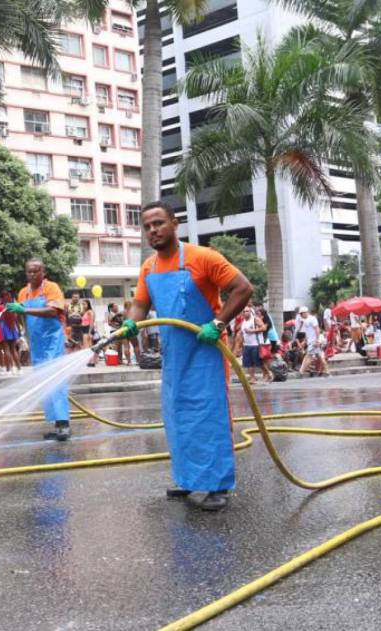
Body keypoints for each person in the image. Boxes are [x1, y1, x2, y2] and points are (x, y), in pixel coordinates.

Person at [119, 202, 253, 511]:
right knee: (178, 415)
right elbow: (140, 303)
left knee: (208, 415)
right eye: (147, 226)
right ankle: (190, 480)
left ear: (174, 223)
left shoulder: (202, 257)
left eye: (158, 223)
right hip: (175, 352)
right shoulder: (149, 267)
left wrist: (218, 323)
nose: (153, 230)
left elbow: (243, 288)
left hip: (206, 349)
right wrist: (132, 321)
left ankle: (216, 485)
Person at [6, 259, 70, 440]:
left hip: (52, 340)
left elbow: (52, 311)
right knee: (44, 382)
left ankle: (64, 424)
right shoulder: (23, 292)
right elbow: (22, 317)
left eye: (36, 271)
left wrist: (24, 311)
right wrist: (22, 335)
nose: (32, 275)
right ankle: (56, 426)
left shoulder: (51, 288)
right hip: (36, 343)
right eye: (29, 272)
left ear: (43, 272)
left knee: (57, 379)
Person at [297, 306, 328, 377]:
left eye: (302, 313)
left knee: (308, 356)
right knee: (319, 356)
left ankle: (301, 371)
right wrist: (305, 341)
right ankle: (327, 371)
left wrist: (317, 340)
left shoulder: (312, 319)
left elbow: (317, 329)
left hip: (314, 341)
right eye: (300, 314)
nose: (301, 315)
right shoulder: (305, 321)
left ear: (306, 312)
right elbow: (307, 332)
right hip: (310, 341)